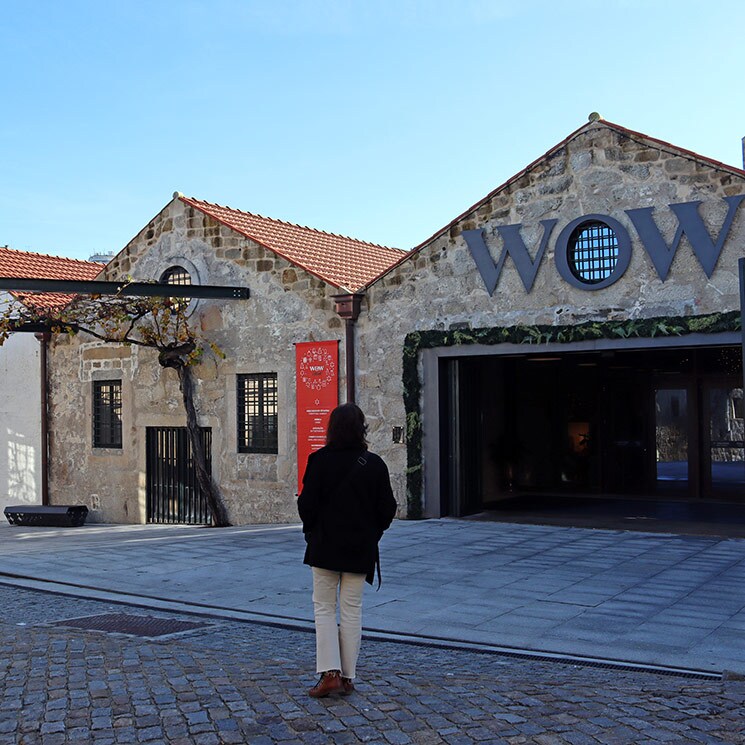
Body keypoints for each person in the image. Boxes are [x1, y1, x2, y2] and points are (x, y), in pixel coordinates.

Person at [297, 403, 397, 698]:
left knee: (324, 609)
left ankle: (330, 674)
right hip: (359, 549)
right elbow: (387, 509)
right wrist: (371, 534)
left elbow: (306, 506)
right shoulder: (375, 463)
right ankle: (348, 677)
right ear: (361, 428)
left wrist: (314, 528)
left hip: (325, 546)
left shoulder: (319, 460)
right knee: (352, 611)